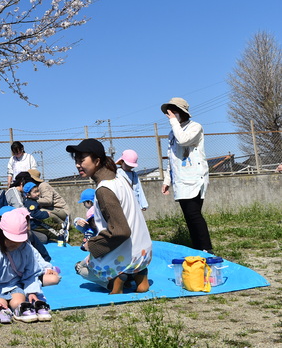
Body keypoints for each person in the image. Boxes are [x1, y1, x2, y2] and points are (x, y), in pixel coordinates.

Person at [66, 138, 152, 294]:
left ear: (97, 161)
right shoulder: (120, 177)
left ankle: (116, 281)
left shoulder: (104, 189)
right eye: (76, 160)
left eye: (82, 160)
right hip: (144, 254)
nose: (78, 164)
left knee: (81, 267)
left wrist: (91, 245)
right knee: (102, 254)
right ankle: (140, 277)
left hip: (126, 257)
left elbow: (120, 231)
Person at [0, 210, 51, 324]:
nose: (15, 244)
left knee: (18, 302)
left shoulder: (27, 249)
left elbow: (31, 272)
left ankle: (20, 310)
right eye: (10, 240)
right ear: (0, 234)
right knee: (1, 304)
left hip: (14, 285)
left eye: (18, 241)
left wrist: (31, 291)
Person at [160, 97, 213, 253]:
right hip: (180, 179)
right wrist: (167, 180)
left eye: (174, 111)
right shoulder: (172, 132)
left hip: (195, 177)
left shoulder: (195, 127)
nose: (171, 115)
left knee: (194, 214)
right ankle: (197, 249)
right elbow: (171, 158)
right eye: (170, 112)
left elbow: (184, 141)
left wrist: (174, 122)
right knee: (189, 217)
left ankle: (207, 249)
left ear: (182, 112)